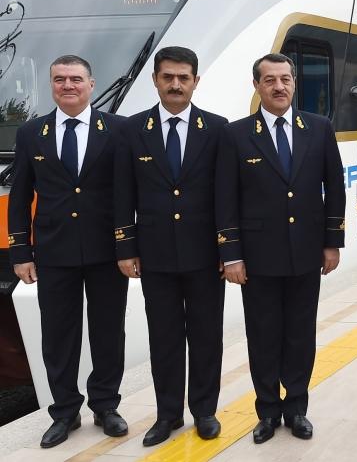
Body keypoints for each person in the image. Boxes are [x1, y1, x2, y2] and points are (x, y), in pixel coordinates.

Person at [215, 53, 345, 444]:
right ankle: (268, 411)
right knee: (264, 335)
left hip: (306, 252)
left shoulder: (318, 128)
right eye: (270, 80)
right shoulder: (236, 134)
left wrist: (332, 243)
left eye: (285, 79)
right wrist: (231, 254)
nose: (279, 87)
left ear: (294, 83)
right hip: (257, 257)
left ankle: (297, 408)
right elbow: (225, 198)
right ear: (257, 86)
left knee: (301, 335)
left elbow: (335, 190)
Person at [7, 55, 128, 448]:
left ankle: (106, 405)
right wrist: (21, 251)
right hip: (53, 253)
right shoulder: (31, 133)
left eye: (76, 79)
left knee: (108, 331)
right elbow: (21, 196)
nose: (68, 86)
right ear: (51, 85)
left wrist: (131, 244)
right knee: (58, 336)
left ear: (91, 84)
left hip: (107, 252)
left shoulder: (118, 130)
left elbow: (131, 193)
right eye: (59, 80)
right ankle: (64, 412)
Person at [113, 46, 228, 445]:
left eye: (183, 77)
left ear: (196, 81)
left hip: (205, 256)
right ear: (156, 80)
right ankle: (167, 415)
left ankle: (205, 411)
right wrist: (126, 247)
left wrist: (227, 251)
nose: (176, 84)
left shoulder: (217, 129)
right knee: (163, 337)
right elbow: (122, 193)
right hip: (155, 255)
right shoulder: (131, 129)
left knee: (206, 335)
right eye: (168, 77)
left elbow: (225, 196)